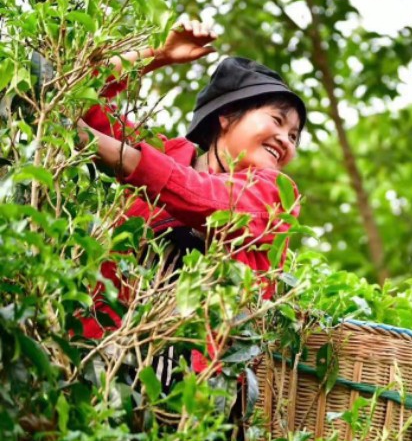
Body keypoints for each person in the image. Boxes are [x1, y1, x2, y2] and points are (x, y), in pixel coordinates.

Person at [77, 21, 306, 378]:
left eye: (293, 135)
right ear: (227, 117)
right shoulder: (164, 152)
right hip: (97, 367)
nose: (285, 140)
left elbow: (206, 198)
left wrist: (97, 145)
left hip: (193, 405)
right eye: (276, 121)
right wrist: (157, 54)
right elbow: (75, 92)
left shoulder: (276, 194)